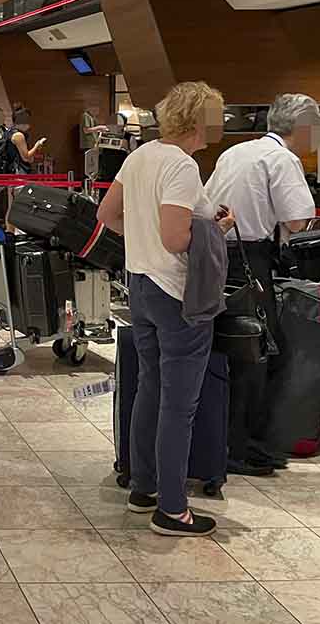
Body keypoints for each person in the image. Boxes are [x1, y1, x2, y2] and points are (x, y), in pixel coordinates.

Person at [97, 81, 234, 537]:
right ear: (198, 121)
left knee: (150, 388)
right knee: (180, 403)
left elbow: (107, 214)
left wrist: (143, 242)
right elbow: (177, 237)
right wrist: (216, 230)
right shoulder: (181, 166)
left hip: (140, 285)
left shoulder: (141, 156)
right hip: (176, 294)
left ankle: (144, 488)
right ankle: (173, 509)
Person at [206, 93, 320, 475]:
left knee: (226, 347)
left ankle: (223, 438)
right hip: (248, 259)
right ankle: (241, 445)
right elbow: (298, 220)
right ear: (301, 129)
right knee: (257, 350)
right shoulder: (283, 159)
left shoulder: (235, 151)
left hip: (215, 253)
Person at [9, 108, 46, 174]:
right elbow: (26, 157)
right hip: (17, 173)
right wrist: (36, 146)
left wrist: (36, 150)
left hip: (14, 171)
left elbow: (30, 159)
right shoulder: (18, 135)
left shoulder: (10, 132)